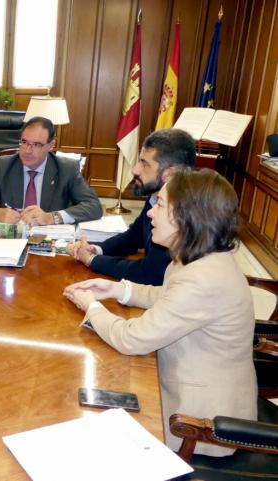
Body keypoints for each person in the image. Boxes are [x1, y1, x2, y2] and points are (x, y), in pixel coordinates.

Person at [63, 169, 257, 457]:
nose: (151, 213)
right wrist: (117, 290)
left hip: (201, 423)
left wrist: (91, 307)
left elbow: (132, 339)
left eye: (161, 205)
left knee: (87, 435)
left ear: (185, 216)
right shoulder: (198, 258)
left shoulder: (204, 278)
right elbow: (169, 297)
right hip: (183, 382)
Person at [67, 128, 196, 285]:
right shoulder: (156, 196)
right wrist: (96, 249)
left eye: (144, 164)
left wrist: (93, 260)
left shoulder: (181, 214)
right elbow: (133, 238)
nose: (135, 169)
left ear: (169, 174)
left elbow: (149, 273)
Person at [0, 116, 102, 226]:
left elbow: (94, 206)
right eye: (24, 142)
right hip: (10, 241)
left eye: (36, 145)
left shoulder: (67, 168)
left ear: (51, 145)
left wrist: (51, 217)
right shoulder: (4, 165)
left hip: (50, 241)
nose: (28, 150)